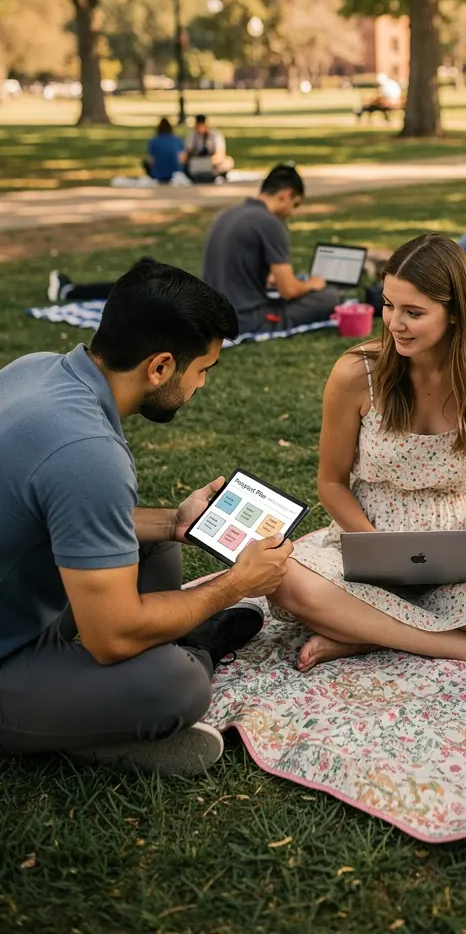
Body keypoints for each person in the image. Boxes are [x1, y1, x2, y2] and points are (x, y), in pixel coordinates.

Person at [2, 260, 293, 774]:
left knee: (160, 543)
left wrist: (173, 523)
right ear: (160, 367)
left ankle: (82, 711)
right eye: (202, 370)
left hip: (20, 600)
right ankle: (185, 658)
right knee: (175, 684)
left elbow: (60, 509)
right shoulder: (88, 450)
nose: (201, 385)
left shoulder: (36, 368)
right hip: (11, 650)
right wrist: (231, 586)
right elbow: (108, 638)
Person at [270, 233, 466, 678]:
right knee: (284, 578)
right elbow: (331, 481)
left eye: (414, 312)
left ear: (454, 313)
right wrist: (373, 547)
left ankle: (364, 632)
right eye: (389, 305)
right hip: (367, 548)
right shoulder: (356, 371)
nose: (394, 323)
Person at [201, 163, 342, 335]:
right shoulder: (270, 223)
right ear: (286, 195)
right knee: (330, 296)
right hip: (245, 318)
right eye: (295, 204)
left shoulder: (227, 214)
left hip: (210, 314)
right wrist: (312, 284)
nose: (291, 212)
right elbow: (289, 291)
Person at [185, 114, 235, 181]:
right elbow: (188, 151)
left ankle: (215, 175)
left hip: (213, 162)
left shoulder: (215, 134)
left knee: (228, 162)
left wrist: (209, 162)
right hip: (197, 161)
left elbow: (220, 154)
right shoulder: (193, 134)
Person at [144, 117, 186, 182]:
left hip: (157, 173)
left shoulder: (153, 141)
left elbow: (151, 161)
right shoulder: (177, 140)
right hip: (175, 173)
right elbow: (182, 159)